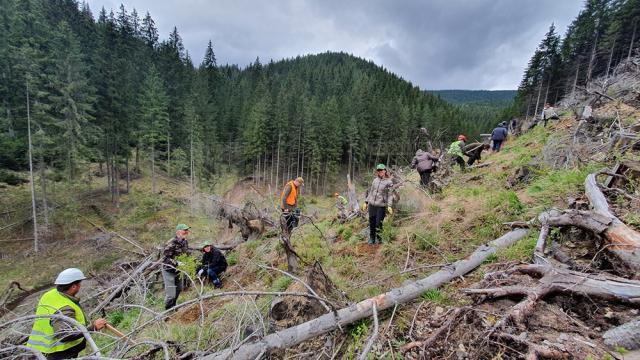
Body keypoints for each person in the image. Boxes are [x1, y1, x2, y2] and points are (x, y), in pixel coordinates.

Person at [26, 268, 107, 359]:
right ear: (73, 287)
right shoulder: (64, 308)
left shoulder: (49, 295)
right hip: (57, 353)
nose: (80, 286)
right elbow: (65, 335)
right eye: (79, 284)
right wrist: (93, 327)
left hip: (38, 349)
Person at [162, 223, 191, 310]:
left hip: (179, 270)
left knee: (178, 289)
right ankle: (167, 311)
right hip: (169, 270)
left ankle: (173, 307)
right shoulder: (171, 243)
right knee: (171, 293)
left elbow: (186, 254)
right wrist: (177, 263)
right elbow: (165, 259)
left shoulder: (185, 242)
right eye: (184, 230)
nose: (187, 232)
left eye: (187, 230)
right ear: (178, 232)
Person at [363, 164, 394, 245]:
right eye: (378, 170)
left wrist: (389, 206)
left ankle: (380, 238)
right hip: (372, 205)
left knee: (378, 224)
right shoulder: (375, 180)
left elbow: (390, 195)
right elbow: (371, 192)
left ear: (385, 170)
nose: (379, 172)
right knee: (372, 223)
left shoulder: (389, 182)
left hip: (381, 206)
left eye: (381, 170)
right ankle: (372, 238)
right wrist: (366, 202)